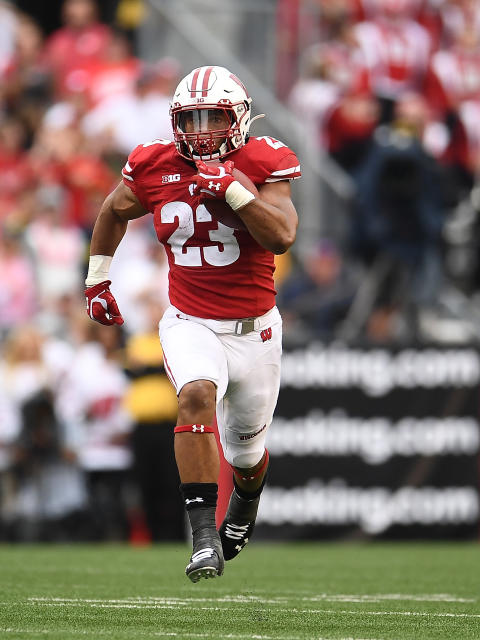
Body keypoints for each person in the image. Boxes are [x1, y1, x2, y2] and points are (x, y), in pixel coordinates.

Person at [83, 66, 300, 581]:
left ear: (240, 118)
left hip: (254, 330)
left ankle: (242, 509)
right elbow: (114, 211)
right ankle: (203, 538)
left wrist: (236, 192)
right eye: (193, 118)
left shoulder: (263, 160)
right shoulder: (155, 163)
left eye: (214, 117)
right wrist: (97, 279)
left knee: (247, 454)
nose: (202, 131)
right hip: (189, 320)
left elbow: (283, 236)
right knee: (195, 395)